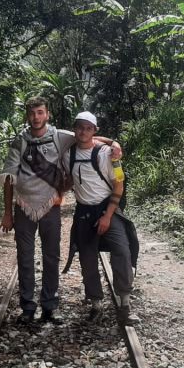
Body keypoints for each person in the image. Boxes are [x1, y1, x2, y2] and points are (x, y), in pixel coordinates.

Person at [0, 97, 120, 324]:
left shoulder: (59, 136)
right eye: (32, 113)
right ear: (28, 115)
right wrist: (7, 213)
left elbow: (85, 136)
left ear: (47, 114)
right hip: (23, 205)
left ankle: (49, 307)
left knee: (51, 257)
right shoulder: (19, 142)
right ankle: (27, 307)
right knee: (25, 257)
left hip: (51, 206)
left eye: (40, 112)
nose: (36, 117)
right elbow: (8, 179)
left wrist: (113, 143)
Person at [64, 111, 137, 326]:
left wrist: (107, 216)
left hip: (107, 208)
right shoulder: (68, 154)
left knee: (122, 251)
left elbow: (119, 184)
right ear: (74, 129)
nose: (83, 131)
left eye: (88, 128)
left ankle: (124, 303)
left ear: (95, 131)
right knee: (87, 258)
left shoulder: (108, 154)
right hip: (84, 211)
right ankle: (96, 304)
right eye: (80, 127)